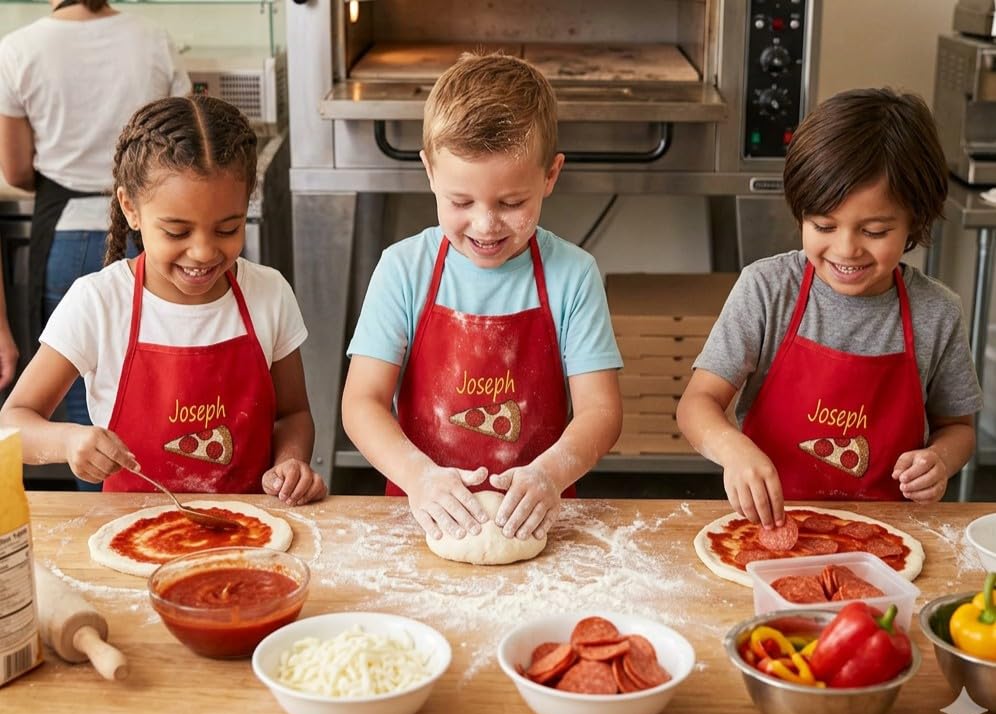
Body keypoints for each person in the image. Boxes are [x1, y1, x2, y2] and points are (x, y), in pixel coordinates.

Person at [341, 52, 623, 543]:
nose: (486, 224)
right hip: (420, 516)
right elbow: (361, 403)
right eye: (460, 201)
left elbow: (601, 411)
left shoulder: (573, 275)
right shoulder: (403, 269)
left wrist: (550, 475)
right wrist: (419, 477)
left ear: (550, 176)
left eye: (512, 203)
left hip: (539, 518)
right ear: (430, 172)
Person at [0, 95, 327, 505]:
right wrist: (67, 441)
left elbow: (293, 414)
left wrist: (291, 462)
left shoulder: (269, 294)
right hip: (131, 532)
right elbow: (12, 422)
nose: (204, 252)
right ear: (130, 208)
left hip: (249, 531)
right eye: (176, 232)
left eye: (228, 229)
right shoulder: (99, 303)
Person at [676, 88, 981, 527]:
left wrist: (940, 460)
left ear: (915, 220)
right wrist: (733, 450)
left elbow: (959, 428)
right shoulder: (766, 291)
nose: (846, 249)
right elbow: (697, 404)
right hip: (772, 524)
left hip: (888, 531)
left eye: (874, 231)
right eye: (823, 225)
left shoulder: (936, 312)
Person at [0, 0, 191, 487]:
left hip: (63, 235)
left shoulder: (18, 49)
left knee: (85, 421)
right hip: (151, 232)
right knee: (162, 394)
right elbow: (185, 138)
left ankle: (102, 517)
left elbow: (17, 171)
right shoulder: (153, 38)